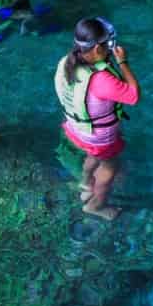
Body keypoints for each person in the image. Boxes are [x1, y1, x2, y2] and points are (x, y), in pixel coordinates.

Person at [56, 17, 141, 220]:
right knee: (110, 168)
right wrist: (123, 62)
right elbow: (134, 95)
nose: (111, 49)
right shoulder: (101, 79)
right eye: (108, 45)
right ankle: (95, 205)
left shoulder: (66, 62)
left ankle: (85, 182)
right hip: (99, 138)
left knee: (93, 155)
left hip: (76, 128)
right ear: (96, 49)